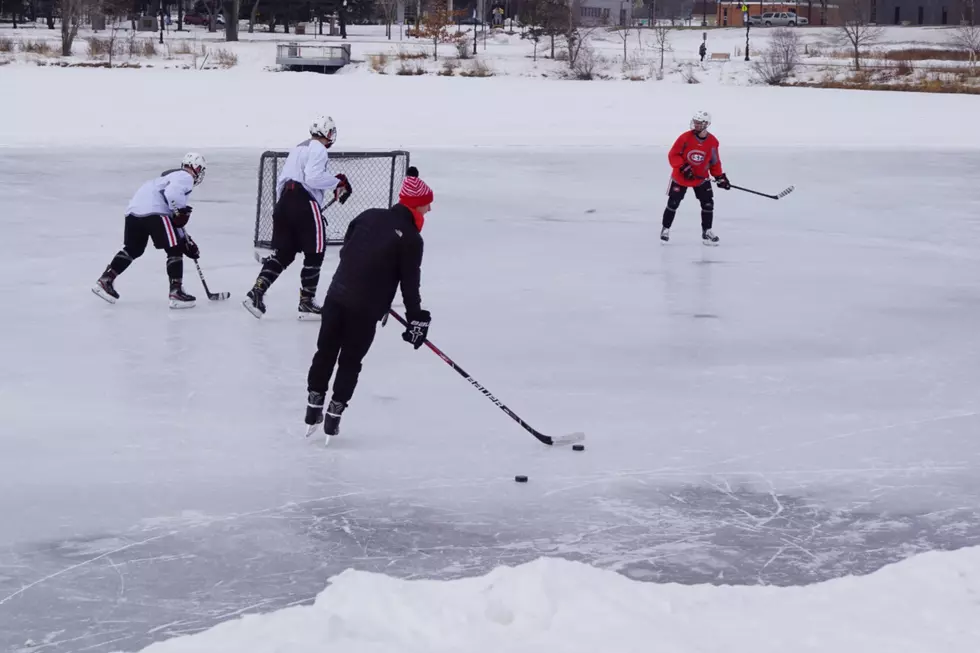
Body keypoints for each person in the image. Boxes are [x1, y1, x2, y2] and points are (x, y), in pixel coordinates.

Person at [304, 166, 434, 440]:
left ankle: (313, 405)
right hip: (364, 310)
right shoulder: (412, 240)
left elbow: (349, 251)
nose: (429, 210)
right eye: (426, 205)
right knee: (350, 360)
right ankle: (333, 415)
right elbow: (410, 284)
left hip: (336, 296)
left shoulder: (368, 216)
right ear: (414, 206)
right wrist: (417, 319)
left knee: (325, 351)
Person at [243, 116, 353, 320]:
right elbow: (313, 178)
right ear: (328, 133)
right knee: (316, 251)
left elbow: (289, 181)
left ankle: (256, 293)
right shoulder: (318, 148)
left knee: (283, 254)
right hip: (303, 201)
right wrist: (337, 183)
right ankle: (307, 302)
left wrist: (289, 207)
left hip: (284, 202)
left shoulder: (298, 148)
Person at [92, 153, 207, 308]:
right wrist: (181, 212)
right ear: (197, 168)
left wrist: (186, 239)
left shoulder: (163, 179)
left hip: (134, 211)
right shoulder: (185, 177)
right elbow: (172, 195)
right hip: (154, 212)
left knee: (133, 249)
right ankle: (176, 292)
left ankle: (106, 280)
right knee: (174, 249)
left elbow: (173, 218)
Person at [661, 110, 730, 246]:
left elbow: (714, 161)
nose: (696, 125)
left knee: (708, 204)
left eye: (699, 123)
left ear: (706, 124)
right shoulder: (684, 138)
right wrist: (683, 167)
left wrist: (720, 177)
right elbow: (673, 155)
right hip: (681, 177)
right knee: (673, 203)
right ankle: (665, 229)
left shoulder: (712, 142)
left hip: (701, 178)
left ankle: (707, 231)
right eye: (695, 122)